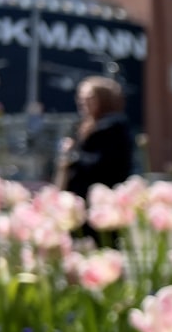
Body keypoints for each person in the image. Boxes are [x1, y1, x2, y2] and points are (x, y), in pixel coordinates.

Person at [54, 76, 133, 243]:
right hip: (80, 204)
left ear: (103, 99)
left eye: (89, 98)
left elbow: (103, 164)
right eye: (80, 98)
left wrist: (72, 156)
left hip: (99, 204)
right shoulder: (84, 126)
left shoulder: (112, 126)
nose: (83, 102)